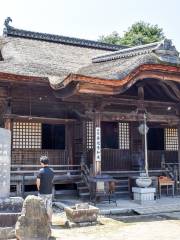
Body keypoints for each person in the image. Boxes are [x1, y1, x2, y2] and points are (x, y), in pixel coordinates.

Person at [36, 156, 54, 223]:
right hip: (49, 192)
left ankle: (42, 221)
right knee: (49, 206)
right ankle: (50, 220)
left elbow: (38, 182)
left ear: (42, 163)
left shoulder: (40, 171)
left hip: (42, 192)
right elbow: (51, 181)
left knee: (41, 206)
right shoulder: (52, 171)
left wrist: (38, 189)